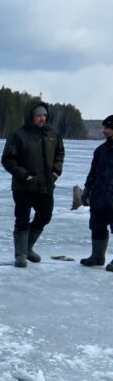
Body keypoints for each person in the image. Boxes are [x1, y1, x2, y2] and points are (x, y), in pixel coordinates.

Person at [1, 98, 64, 268]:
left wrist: (56, 171)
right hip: (23, 186)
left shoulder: (53, 134)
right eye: (38, 115)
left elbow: (60, 154)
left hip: (46, 185)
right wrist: (24, 175)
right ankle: (20, 255)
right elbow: (8, 160)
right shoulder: (18, 135)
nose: (42, 118)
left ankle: (27, 247)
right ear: (31, 116)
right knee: (22, 219)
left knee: (45, 216)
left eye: (44, 115)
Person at [79, 114, 113, 270]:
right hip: (99, 196)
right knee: (97, 226)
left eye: (107, 128)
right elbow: (93, 172)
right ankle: (97, 257)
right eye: (104, 127)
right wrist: (87, 190)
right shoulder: (100, 150)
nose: (103, 131)